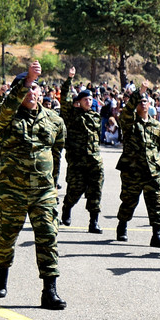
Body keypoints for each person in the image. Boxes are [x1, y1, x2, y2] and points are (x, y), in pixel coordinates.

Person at [0, 62, 67, 309]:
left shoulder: (53, 120)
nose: (32, 92)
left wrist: (51, 181)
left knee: (48, 237)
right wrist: (26, 80)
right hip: (11, 190)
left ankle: (49, 290)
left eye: (35, 87)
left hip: (43, 192)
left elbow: (58, 149)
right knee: (5, 238)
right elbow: (2, 113)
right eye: (26, 89)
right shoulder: (6, 118)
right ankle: (2, 273)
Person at [115, 81, 160, 248]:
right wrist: (139, 92)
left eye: (145, 100)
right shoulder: (129, 122)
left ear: (150, 104)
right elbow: (127, 111)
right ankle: (122, 225)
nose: (143, 103)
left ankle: (157, 234)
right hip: (132, 170)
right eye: (140, 101)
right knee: (129, 201)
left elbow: (158, 145)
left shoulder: (157, 126)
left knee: (156, 203)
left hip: (153, 171)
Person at [57, 68, 104, 235]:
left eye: (91, 99)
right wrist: (69, 79)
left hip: (94, 161)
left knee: (95, 191)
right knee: (75, 190)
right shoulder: (71, 115)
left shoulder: (96, 117)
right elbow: (64, 97)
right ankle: (67, 208)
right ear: (79, 101)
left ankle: (94, 222)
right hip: (77, 162)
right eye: (85, 99)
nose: (89, 102)